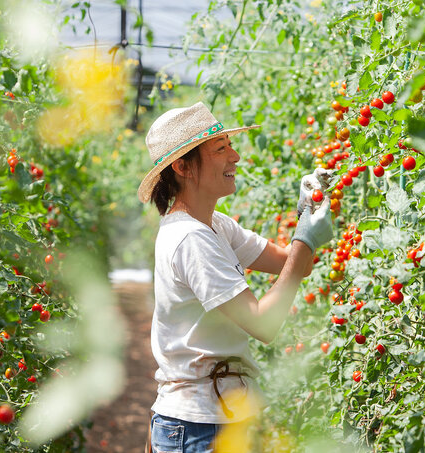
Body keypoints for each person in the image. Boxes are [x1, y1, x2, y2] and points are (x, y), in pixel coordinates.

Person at [137, 102, 334, 453]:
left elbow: (296, 264)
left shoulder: (216, 225)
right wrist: (305, 237)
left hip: (218, 419)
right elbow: (262, 323)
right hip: (197, 426)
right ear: (183, 166)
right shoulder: (189, 238)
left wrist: (307, 211)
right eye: (221, 148)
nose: (236, 156)